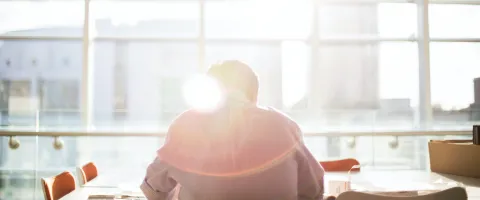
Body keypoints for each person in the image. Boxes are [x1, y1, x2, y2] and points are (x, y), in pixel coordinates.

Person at [141, 60, 324, 200]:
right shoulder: (284, 125)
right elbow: (314, 189)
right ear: (254, 94)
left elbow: (153, 188)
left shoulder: (186, 124)